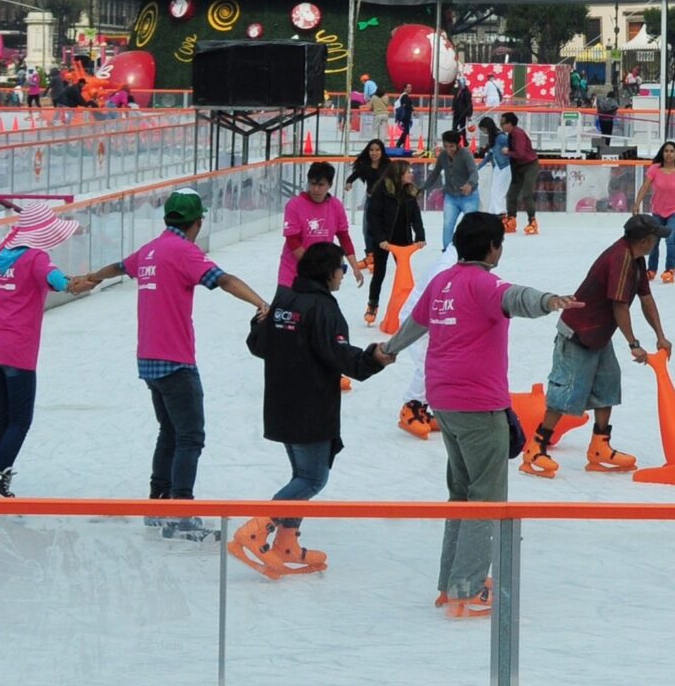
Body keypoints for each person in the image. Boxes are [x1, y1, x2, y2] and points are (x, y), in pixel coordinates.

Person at [383, 212, 574, 612]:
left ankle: (451, 582)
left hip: (444, 402)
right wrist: (548, 301)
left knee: (462, 492)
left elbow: (413, 324)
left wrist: (389, 351)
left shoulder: (442, 282)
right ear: (491, 248)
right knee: (485, 498)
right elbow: (515, 297)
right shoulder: (484, 283)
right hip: (477, 405)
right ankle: (467, 588)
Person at [73, 191, 271, 539]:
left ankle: (157, 503)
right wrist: (259, 301)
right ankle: (180, 510)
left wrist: (90, 277)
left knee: (170, 432)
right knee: (190, 436)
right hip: (175, 360)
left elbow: (119, 267)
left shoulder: (150, 249)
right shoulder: (184, 252)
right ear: (197, 222)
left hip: (148, 358)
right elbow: (222, 279)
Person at [232, 240, 392, 578]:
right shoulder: (324, 309)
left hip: (281, 404)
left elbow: (258, 344)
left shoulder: (284, 301)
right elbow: (341, 356)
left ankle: (286, 544)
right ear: (328, 272)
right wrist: (373, 359)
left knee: (301, 475)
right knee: (312, 478)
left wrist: (258, 320)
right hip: (310, 406)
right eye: (342, 269)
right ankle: (255, 529)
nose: (344, 275)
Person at [0, 207, 83, 495]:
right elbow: (53, 277)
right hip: (18, 352)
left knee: (4, 416)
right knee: (20, 420)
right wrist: (71, 284)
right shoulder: (36, 258)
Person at [523, 213, 666, 480]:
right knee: (565, 390)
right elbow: (619, 304)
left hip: (598, 334)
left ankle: (599, 446)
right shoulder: (620, 258)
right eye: (655, 238)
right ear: (645, 240)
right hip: (577, 333)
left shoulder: (636, 258)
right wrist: (633, 344)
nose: (657, 242)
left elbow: (645, 298)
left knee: (608, 386)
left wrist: (660, 335)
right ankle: (536, 447)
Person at [363, 159, 425, 337]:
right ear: (398, 173)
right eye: (408, 171)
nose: (411, 174)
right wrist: (380, 239)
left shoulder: (409, 192)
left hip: (402, 239)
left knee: (404, 275)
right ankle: (373, 304)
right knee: (379, 273)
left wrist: (420, 237)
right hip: (383, 239)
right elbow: (372, 217)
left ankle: (408, 308)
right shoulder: (382, 190)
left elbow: (415, 218)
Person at [278, 161, 356, 291]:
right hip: (292, 274)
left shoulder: (336, 206)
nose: (316, 189)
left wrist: (354, 266)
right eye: (313, 184)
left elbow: (344, 237)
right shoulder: (294, 205)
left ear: (329, 185)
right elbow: (292, 241)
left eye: (321, 185)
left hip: (320, 276)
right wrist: (313, 266)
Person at [639, 141, 675, 283]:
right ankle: (651, 270)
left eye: (672, 151)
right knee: (654, 240)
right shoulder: (654, 169)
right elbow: (644, 187)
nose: (668, 154)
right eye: (666, 151)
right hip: (657, 211)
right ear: (662, 153)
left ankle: (670, 269)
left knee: (670, 238)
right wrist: (637, 203)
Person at [425, 128, 477, 251]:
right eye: (446, 146)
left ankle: (471, 250)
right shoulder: (443, 155)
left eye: (451, 147)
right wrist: (423, 187)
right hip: (451, 197)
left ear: (458, 144)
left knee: (471, 225)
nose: (448, 150)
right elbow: (435, 173)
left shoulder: (466, 154)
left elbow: (474, 173)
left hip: (469, 197)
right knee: (448, 224)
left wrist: (469, 184)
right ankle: (447, 251)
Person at [500, 114, 540, 234]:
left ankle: (532, 221)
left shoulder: (518, 133)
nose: (501, 126)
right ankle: (511, 220)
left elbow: (520, 153)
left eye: (503, 123)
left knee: (527, 194)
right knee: (511, 194)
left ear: (510, 123)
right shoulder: (511, 134)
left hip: (530, 166)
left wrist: (508, 152)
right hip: (518, 167)